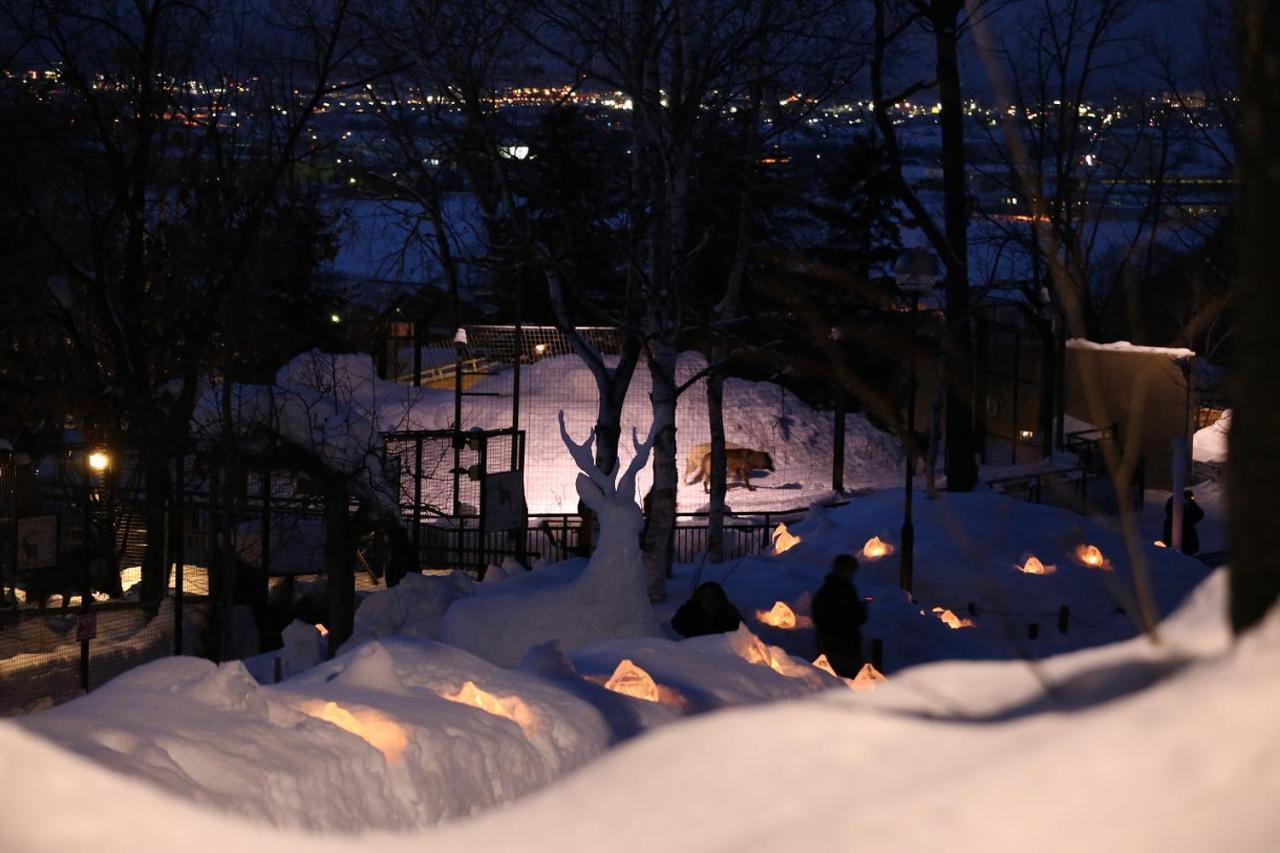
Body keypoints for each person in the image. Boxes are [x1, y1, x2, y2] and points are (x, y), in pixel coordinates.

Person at [811, 553, 868, 677]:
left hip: (847, 646)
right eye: (850, 570)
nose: (852, 574)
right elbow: (823, 619)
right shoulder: (830, 593)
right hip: (836, 648)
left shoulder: (847, 591)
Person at [671, 581, 743, 638]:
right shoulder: (689, 609)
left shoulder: (727, 610)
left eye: (711, 596)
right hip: (693, 647)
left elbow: (739, 627)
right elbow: (677, 624)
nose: (708, 599)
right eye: (705, 595)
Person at [1162, 488, 1205, 555]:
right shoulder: (1174, 502)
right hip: (1175, 530)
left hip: (1186, 533)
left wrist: (1190, 521)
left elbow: (1200, 513)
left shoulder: (1190, 503)